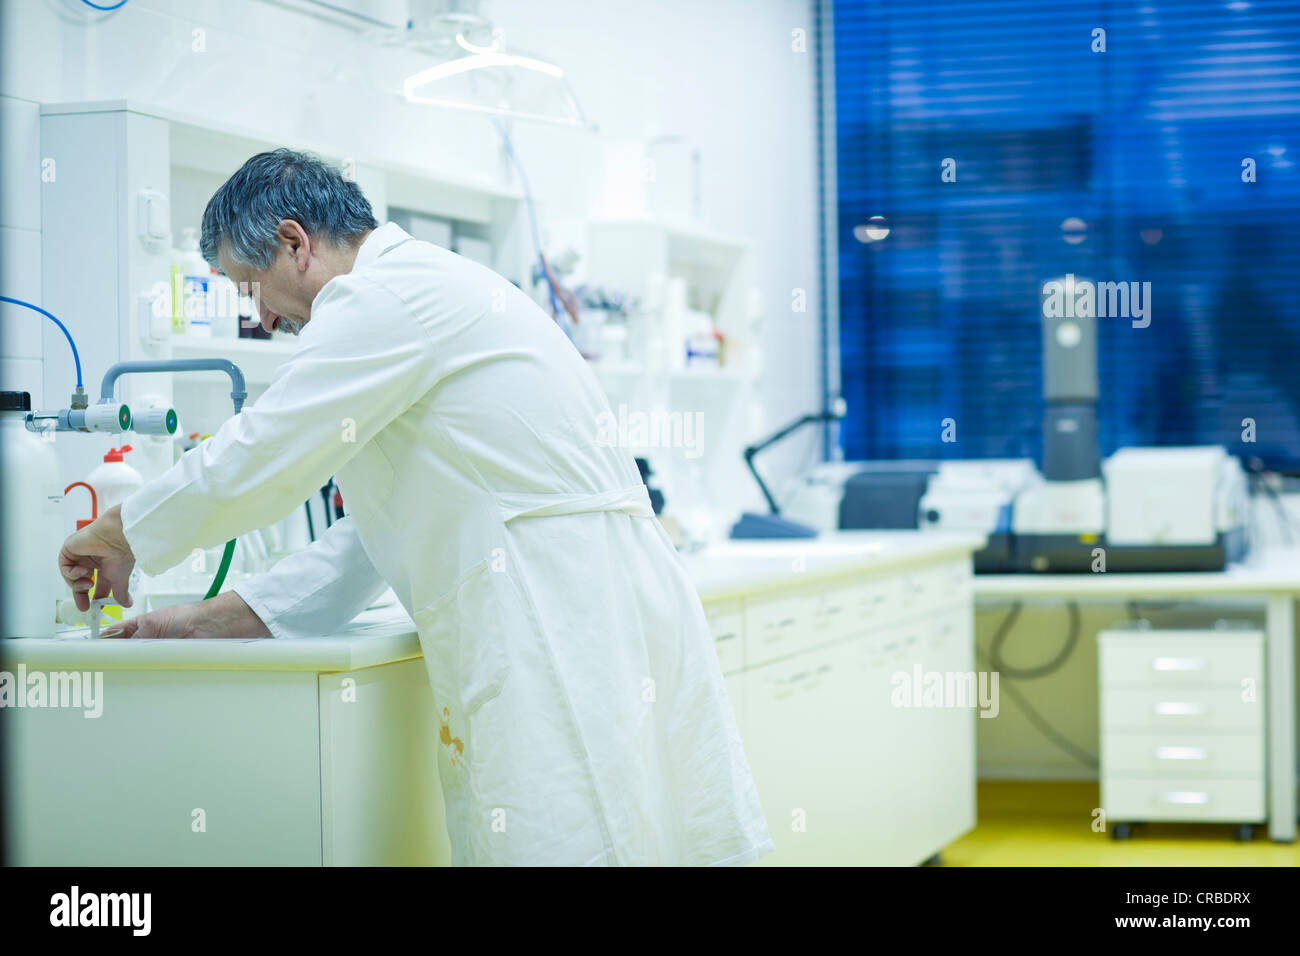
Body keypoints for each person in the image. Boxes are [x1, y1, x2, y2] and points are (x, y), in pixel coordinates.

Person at [58, 148, 774, 867]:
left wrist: (120, 533)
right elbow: (373, 538)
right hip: (579, 598)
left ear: (292, 242)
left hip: (553, 612)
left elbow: (260, 451)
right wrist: (206, 621)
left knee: (574, 838)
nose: (261, 317)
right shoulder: (418, 294)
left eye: (252, 286)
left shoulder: (380, 299)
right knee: (624, 831)